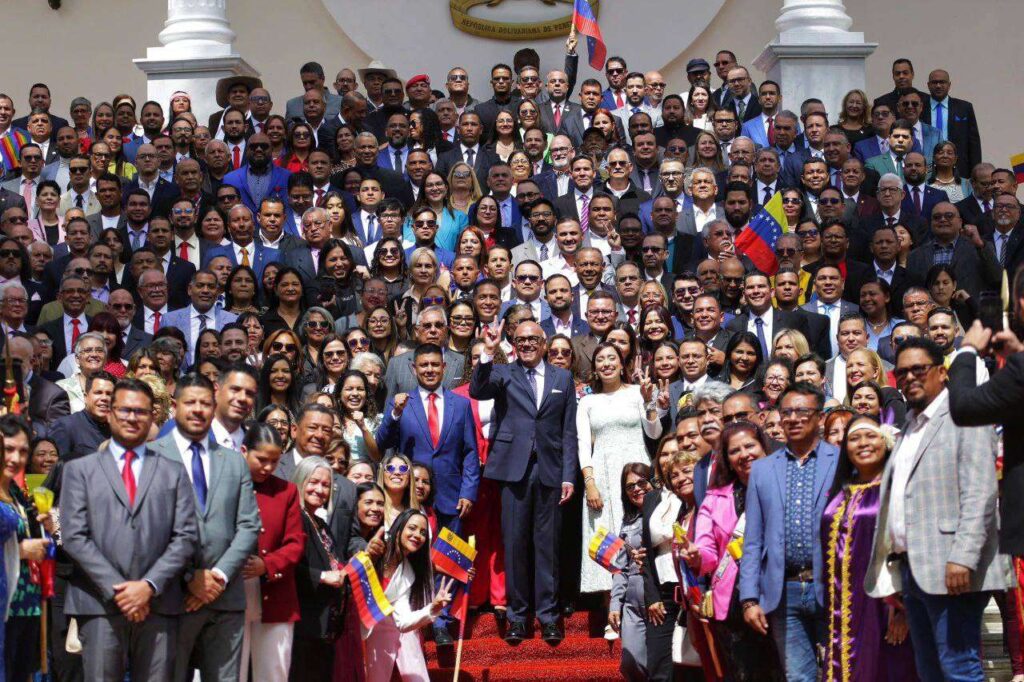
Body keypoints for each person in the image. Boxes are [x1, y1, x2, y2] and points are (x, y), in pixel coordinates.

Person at [865, 337, 1007, 680]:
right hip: (914, 567)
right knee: (930, 671)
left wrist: (964, 557)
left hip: (952, 564)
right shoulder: (911, 425)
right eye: (902, 372)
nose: (910, 377)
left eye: (919, 369)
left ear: (943, 373)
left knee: (959, 668)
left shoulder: (964, 415)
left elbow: (981, 492)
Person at [60, 378, 199, 682]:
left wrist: (147, 586)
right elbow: (73, 536)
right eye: (124, 410)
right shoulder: (78, 471)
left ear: (153, 417)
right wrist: (121, 591)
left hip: (159, 604)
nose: (132, 417)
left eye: (140, 411)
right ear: (110, 413)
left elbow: (186, 536)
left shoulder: (173, 472)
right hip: (98, 604)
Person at [148, 373, 260, 682]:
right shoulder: (152, 457)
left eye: (205, 403)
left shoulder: (234, 461)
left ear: (215, 407)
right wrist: (189, 577)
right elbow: (149, 529)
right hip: (172, 598)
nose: (198, 410)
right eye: (190, 402)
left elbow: (249, 525)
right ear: (174, 407)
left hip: (226, 599)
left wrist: (219, 577)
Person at [470, 320, 577, 643]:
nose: (528, 344)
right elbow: (478, 389)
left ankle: (548, 616)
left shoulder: (562, 377)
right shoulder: (504, 373)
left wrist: (568, 475)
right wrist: (488, 354)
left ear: (544, 343)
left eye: (533, 339)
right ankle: (517, 616)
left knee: (548, 546)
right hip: (513, 470)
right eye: (521, 340)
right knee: (515, 545)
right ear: (513, 344)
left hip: (550, 469)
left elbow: (568, 431)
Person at [740, 383, 840, 682]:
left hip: (833, 588)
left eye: (803, 411)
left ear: (820, 418)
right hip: (784, 592)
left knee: (843, 673)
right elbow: (753, 540)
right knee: (799, 678)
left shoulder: (841, 461)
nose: (793, 418)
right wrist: (749, 598)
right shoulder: (762, 470)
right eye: (787, 412)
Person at [821, 415, 918, 680]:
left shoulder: (898, 488)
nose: (863, 443)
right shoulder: (841, 491)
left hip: (884, 607)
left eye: (871, 436)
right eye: (854, 438)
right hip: (842, 612)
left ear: (885, 443)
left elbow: (911, 550)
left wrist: (904, 610)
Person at [686, 420, 782, 680]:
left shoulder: (784, 484)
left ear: (764, 447)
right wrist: (697, 556)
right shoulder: (714, 500)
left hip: (780, 596)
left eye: (750, 446)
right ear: (726, 459)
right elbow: (707, 552)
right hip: (734, 605)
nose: (744, 455)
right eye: (734, 451)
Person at [577, 342, 664, 595]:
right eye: (600, 360)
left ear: (621, 363)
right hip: (602, 474)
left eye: (611, 358)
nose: (606, 364)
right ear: (594, 367)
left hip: (636, 471)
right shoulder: (588, 402)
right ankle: (612, 605)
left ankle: (648, 594)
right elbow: (583, 445)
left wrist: (650, 403)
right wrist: (589, 482)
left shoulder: (639, 393)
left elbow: (655, 432)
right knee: (608, 534)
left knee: (643, 529)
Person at [238, 423, 304, 682]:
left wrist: (267, 565)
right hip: (231, 591)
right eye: (261, 460)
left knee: (273, 673)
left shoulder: (287, 490)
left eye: (274, 461)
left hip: (275, 592)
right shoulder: (228, 482)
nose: (267, 467)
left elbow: (295, 543)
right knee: (229, 673)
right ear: (244, 451)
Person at [364, 508, 456, 682]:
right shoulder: (376, 548)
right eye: (412, 528)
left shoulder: (409, 574)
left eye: (422, 532)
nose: (417, 535)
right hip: (352, 629)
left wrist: (433, 608)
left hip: (378, 632)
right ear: (399, 528)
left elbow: (403, 622)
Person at [289, 455, 344, 681]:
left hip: (325, 627)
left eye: (326, 485)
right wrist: (321, 577)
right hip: (303, 625)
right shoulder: (294, 517)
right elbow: (288, 566)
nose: (319, 490)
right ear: (300, 481)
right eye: (313, 482)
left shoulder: (320, 523)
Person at [608, 462, 653, 681]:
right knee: (631, 662)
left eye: (642, 482)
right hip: (632, 604)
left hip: (659, 601)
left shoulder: (668, 513)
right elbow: (620, 568)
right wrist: (615, 603)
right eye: (630, 486)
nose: (636, 489)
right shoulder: (627, 523)